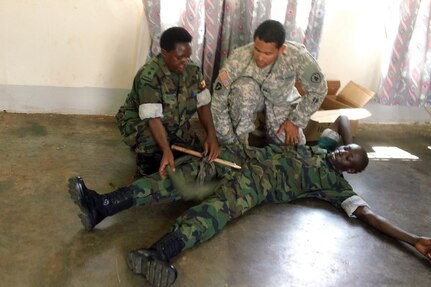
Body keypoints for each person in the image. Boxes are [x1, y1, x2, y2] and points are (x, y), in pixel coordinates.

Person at [69, 120, 431, 286]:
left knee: (211, 214)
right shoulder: (323, 147)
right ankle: (102, 204)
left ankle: (157, 254)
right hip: (236, 156)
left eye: (351, 161)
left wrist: (412, 238)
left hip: (254, 185)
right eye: (346, 151)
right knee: (175, 179)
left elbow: (369, 216)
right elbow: (343, 119)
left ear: (351, 173)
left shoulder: (336, 187)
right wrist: (352, 142)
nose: (344, 156)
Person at [115, 26, 219, 178]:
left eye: (187, 56)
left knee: (197, 154)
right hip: (142, 121)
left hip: (172, 120)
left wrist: (211, 135)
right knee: (150, 143)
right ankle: (145, 163)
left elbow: (203, 105)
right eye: (179, 57)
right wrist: (166, 150)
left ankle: (167, 147)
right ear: (164, 53)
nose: (184, 62)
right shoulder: (149, 76)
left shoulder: (193, 71)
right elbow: (153, 118)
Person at [211, 19, 328, 146]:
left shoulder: (297, 56)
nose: (260, 57)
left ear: (281, 49)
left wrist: (296, 121)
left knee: (293, 147)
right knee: (244, 87)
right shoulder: (238, 58)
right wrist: (227, 139)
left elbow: (319, 89)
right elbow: (219, 96)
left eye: (268, 53)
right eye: (257, 50)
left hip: (281, 101)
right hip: (248, 101)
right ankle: (242, 142)